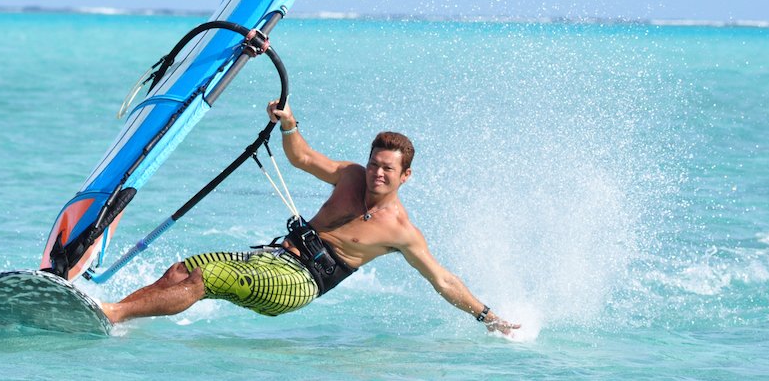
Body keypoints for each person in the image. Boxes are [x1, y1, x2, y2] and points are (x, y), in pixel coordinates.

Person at [101, 100, 520, 335]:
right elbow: (301, 157)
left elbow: (443, 280)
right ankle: (112, 313)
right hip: (273, 258)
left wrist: (488, 317)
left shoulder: (401, 231)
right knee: (181, 270)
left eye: (387, 169)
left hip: (300, 284)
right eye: (375, 162)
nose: (377, 172)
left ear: (404, 175)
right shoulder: (350, 177)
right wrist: (288, 123)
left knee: (205, 281)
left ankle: (111, 314)